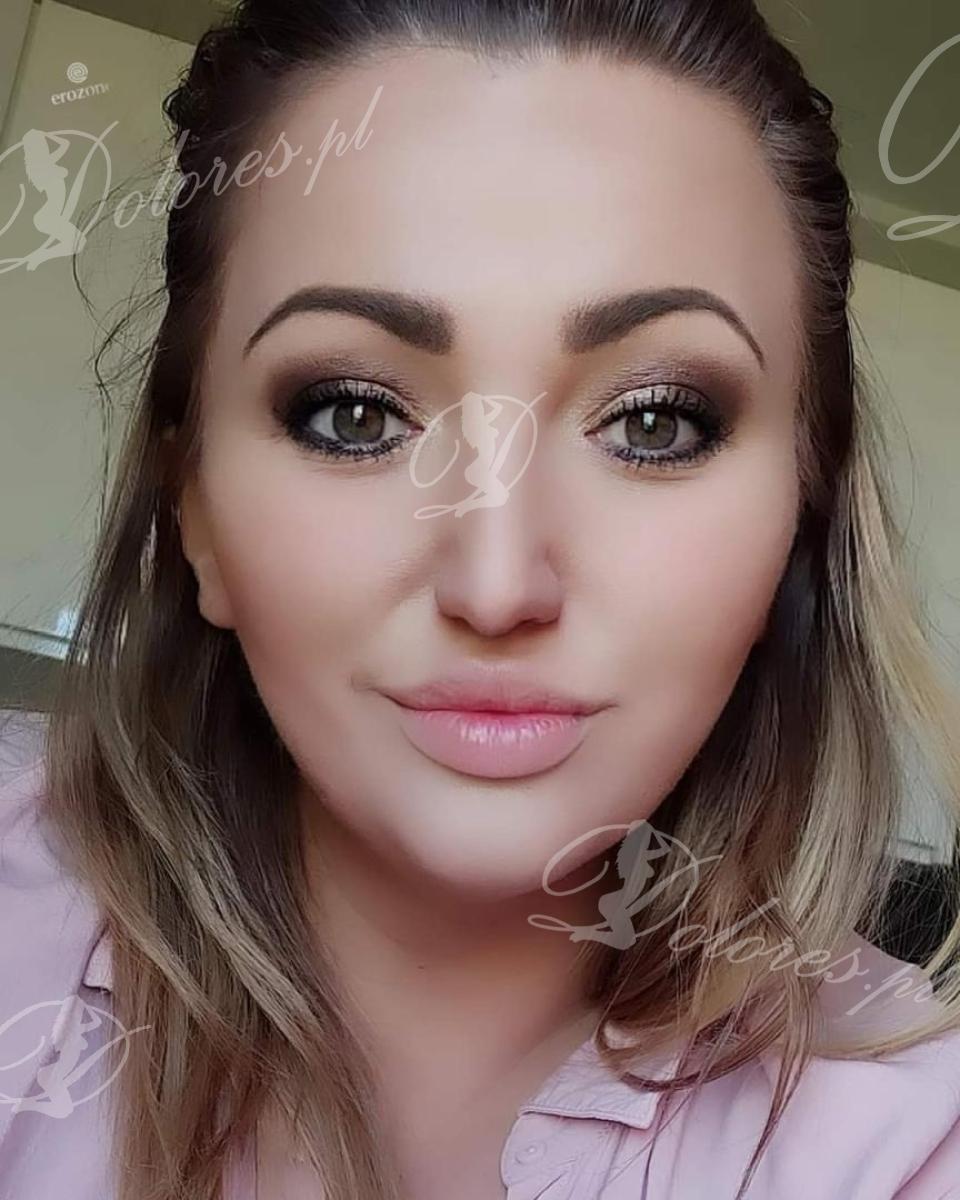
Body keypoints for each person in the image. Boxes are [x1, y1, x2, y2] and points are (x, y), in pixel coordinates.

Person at [2, 1, 960, 1197]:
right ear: (193, 507)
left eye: (655, 424)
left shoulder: (911, 1138)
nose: (498, 585)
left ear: (800, 526)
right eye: (356, 413)